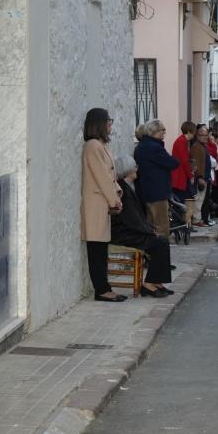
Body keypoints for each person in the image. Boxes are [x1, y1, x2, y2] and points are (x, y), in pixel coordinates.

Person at [111, 156, 174, 298]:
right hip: (123, 233)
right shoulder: (123, 190)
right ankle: (149, 284)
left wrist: (150, 230)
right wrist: (151, 232)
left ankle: (156, 282)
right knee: (159, 242)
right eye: (134, 166)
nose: (136, 169)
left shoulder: (127, 187)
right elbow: (132, 220)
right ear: (128, 170)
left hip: (129, 230)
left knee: (161, 240)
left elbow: (137, 218)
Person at [81, 108, 126, 302]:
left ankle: (104, 287)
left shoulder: (101, 145)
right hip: (96, 203)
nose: (110, 124)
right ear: (98, 123)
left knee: (101, 247)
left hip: (103, 202)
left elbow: (110, 175)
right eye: (108, 121)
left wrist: (117, 195)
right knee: (96, 248)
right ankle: (101, 290)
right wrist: (114, 199)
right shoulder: (92, 146)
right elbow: (101, 176)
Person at [133, 119, 179, 237]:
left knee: (151, 224)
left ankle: (153, 252)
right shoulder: (154, 147)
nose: (165, 132)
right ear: (154, 131)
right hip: (157, 192)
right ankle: (161, 253)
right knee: (161, 226)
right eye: (163, 129)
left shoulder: (141, 146)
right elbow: (173, 163)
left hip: (146, 191)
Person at [170, 121, 197, 226]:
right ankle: (183, 224)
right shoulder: (181, 141)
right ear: (189, 131)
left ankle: (187, 224)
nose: (194, 134)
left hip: (181, 175)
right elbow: (184, 160)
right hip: (179, 176)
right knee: (182, 202)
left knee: (185, 201)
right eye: (193, 132)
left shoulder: (183, 141)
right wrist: (190, 176)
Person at [190, 125, 212, 228]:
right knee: (198, 200)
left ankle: (199, 219)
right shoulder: (196, 146)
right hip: (201, 178)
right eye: (202, 135)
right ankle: (196, 220)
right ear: (197, 136)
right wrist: (200, 177)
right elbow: (196, 163)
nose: (204, 137)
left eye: (206, 135)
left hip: (205, 177)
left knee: (201, 200)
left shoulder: (202, 145)